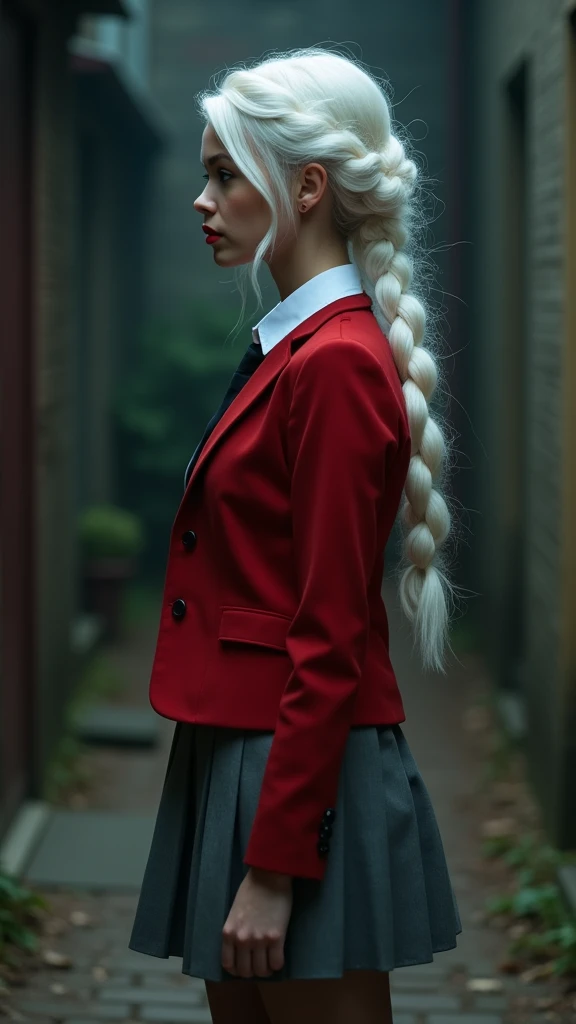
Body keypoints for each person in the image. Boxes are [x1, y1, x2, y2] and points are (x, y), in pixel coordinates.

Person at [128, 45, 462, 1024]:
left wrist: (276, 865)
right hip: (242, 752)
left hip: (299, 769)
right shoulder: (298, 349)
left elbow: (330, 633)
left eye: (225, 173)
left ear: (306, 186)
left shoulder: (336, 367)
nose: (203, 198)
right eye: (207, 173)